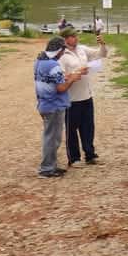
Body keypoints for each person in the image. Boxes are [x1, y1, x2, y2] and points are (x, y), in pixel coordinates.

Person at [35, 36, 82, 178]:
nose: (63, 53)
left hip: (44, 104)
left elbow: (52, 80)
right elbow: (61, 88)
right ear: (59, 50)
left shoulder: (40, 62)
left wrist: (67, 76)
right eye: (63, 50)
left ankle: (51, 165)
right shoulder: (54, 65)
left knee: (51, 137)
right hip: (54, 105)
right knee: (52, 138)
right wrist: (72, 79)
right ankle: (47, 168)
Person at [59, 26, 107, 167]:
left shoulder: (82, 49)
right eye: (73, 36)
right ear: (66, 38)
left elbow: (101, 54)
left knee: (88, 127)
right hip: (71, 98)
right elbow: (61, 76)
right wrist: (77, 72)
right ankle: (74, 158)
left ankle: (90, 154)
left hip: (87, 95)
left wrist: (102, 44)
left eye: (76, 36)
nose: (76, 38)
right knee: (71, 130)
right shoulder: (62, 55)